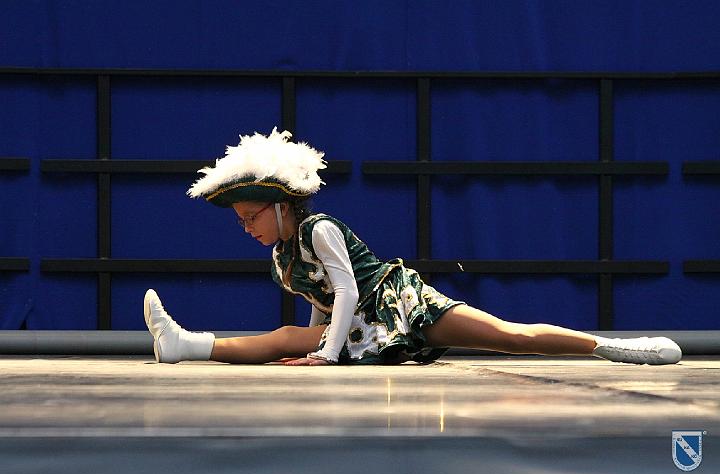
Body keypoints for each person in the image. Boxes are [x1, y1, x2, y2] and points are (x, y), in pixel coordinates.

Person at [143, 128, 682, 366]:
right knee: (287, 337)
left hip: (400, 304)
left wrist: (325, 354)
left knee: (506, 337)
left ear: (282, 205)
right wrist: (316, 343)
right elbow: (322, 303)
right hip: (359, 327)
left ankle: (613, 347)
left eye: (251, 217)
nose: (246, 228)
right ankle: (186, 345)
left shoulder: (319, 228)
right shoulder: (282, 255)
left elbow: (347, 291)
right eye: (241, 221)